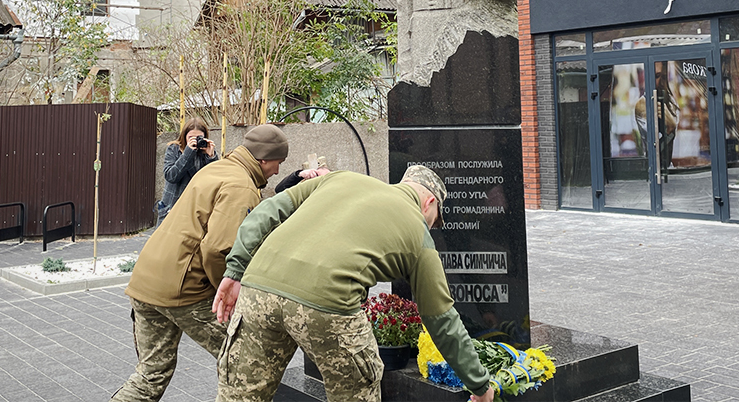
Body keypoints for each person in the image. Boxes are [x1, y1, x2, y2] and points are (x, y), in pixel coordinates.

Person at [212, 165, 496, 402]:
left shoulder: (340, 178)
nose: (432, 226)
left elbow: (266, 211)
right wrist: (480, 385)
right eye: (435, 222)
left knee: (240, 395)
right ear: (430, 202)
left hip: (258, 289)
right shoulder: (419, 232)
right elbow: (442, 320)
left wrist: (234, 270)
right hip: (327, 305)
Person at [112, 124, 289, 402]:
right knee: (244, 361)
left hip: (146, 280)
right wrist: (227, 293)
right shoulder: (241, 185)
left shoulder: (218, 169)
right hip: (183, 287)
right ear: (265, 158)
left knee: (151, 375)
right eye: (278, 163)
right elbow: (220, 250)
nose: (277, 170)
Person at [154, 118, 219, 226]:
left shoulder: (205, 153)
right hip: (172, 206)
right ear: (184, 136)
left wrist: (211, 157)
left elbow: (214, 181)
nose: (194, 141)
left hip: (195, 208)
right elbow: (171, 176)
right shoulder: (174, 149)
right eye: (191, 137)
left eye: (199, 137)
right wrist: (188, 152)